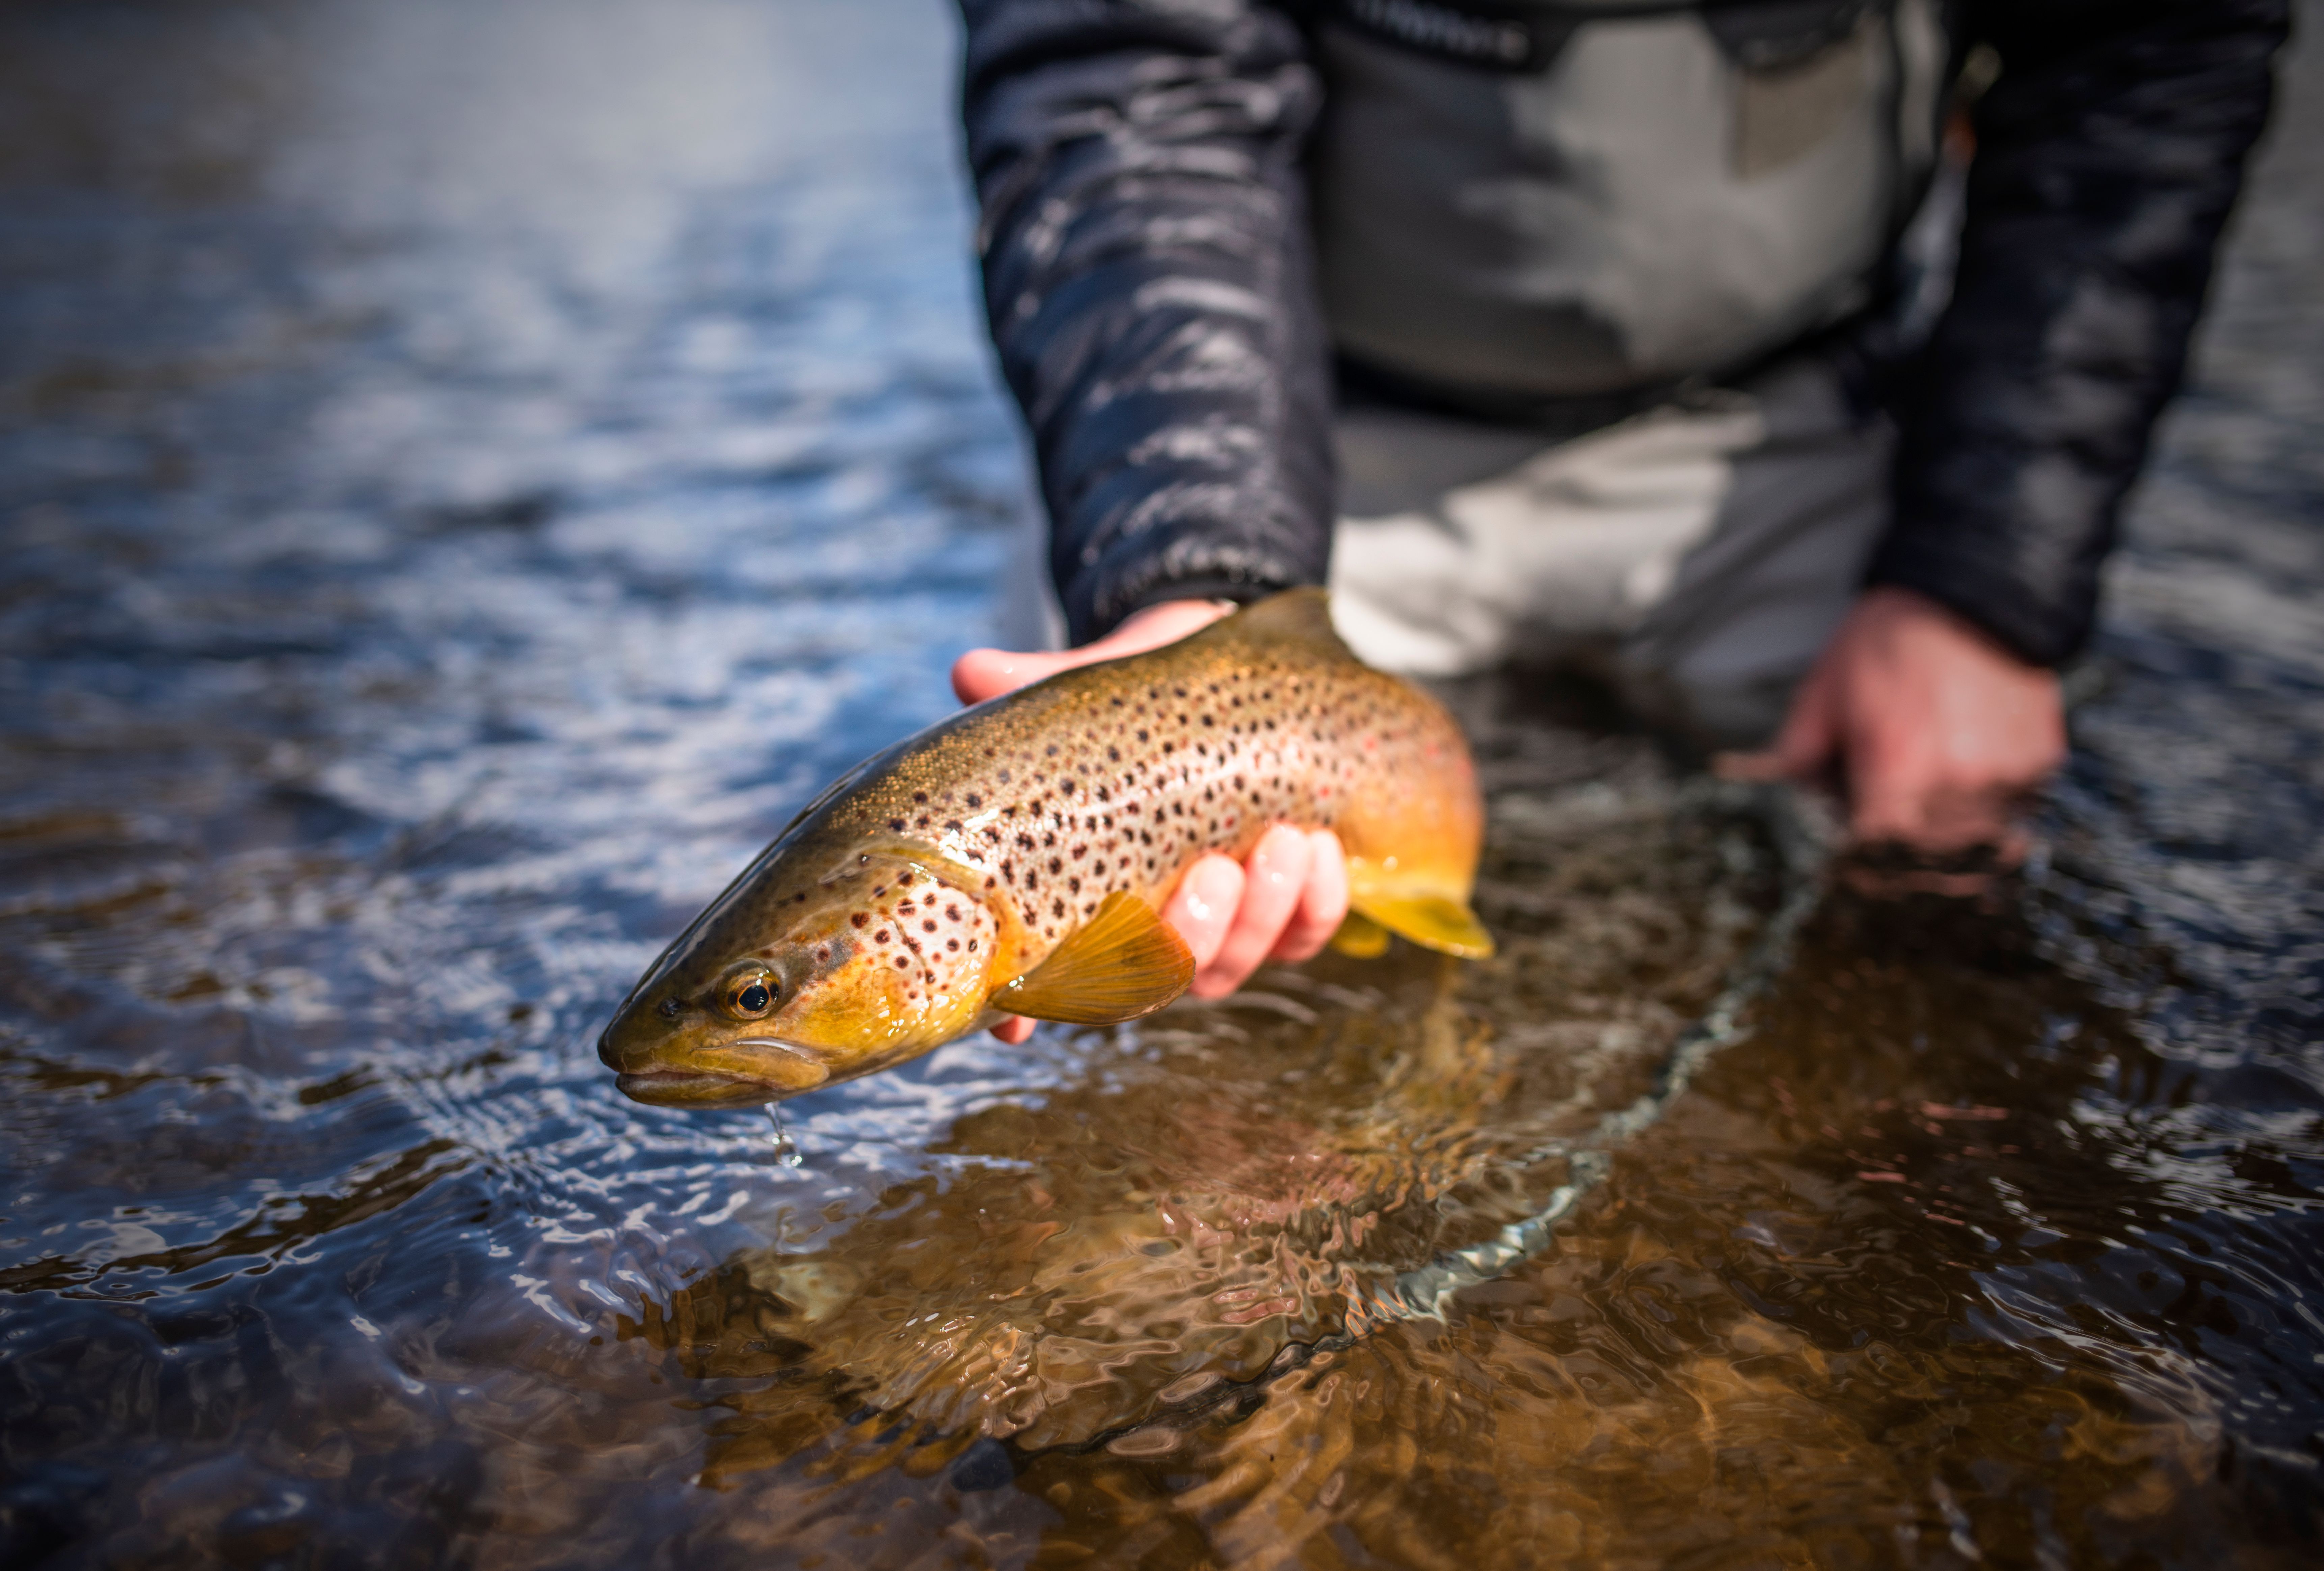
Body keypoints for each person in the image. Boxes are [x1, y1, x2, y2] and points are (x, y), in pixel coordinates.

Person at [946, 0, 2288, 1033]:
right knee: (1160, 987)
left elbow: (2144, 61)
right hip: (1281, 428)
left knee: (1930, 908)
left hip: (1790, 416)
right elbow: (1125, 82)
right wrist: (1187, 564)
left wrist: (1984, 581)